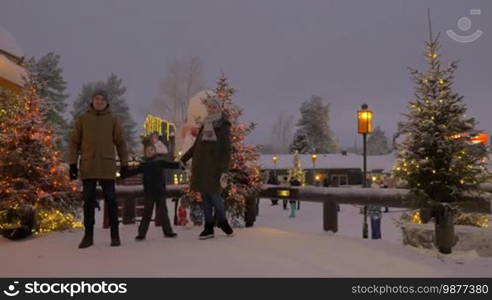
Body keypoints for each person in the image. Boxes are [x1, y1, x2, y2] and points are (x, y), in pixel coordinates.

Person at [68, 90, 128, 249]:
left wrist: (124, 164)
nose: (99, 102)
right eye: (96, 99)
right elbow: (74, 142)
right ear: (92, 101)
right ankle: (88, 236)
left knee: (111, 201)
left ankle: (115, 235)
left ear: (107, 102)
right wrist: (72, 164)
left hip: (107, 167)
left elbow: (121, 143)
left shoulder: (113, 120)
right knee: (88, 202)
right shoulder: (83, 119)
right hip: (88, 166)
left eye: (102, 99)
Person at [180, 97, 233, 240]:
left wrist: (223, 169)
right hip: (202, 167)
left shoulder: (223, 125)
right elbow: (196, 146)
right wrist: (184, 158)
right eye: (209, 108)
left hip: (215, 168)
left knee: (215, 197)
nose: (211, 109)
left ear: (219, 108)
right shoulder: (205, 125)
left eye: (214, 107)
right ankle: (208, 227)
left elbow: (226, 149)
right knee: (205, 199)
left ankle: (222, 222)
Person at [123, 144, 183, 240]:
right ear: (145, 153)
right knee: (147, 212)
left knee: (163, 212)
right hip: (149, 192)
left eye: (152, 150)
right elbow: (134, 171)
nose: (150, 152)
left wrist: (180, 164)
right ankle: (141, 234)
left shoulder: (159, 162)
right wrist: (124, 173)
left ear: (155, 151)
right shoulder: (144, 164)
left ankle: (168, 231)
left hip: (160, 191)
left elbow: (171, 165)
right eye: (148, 150)